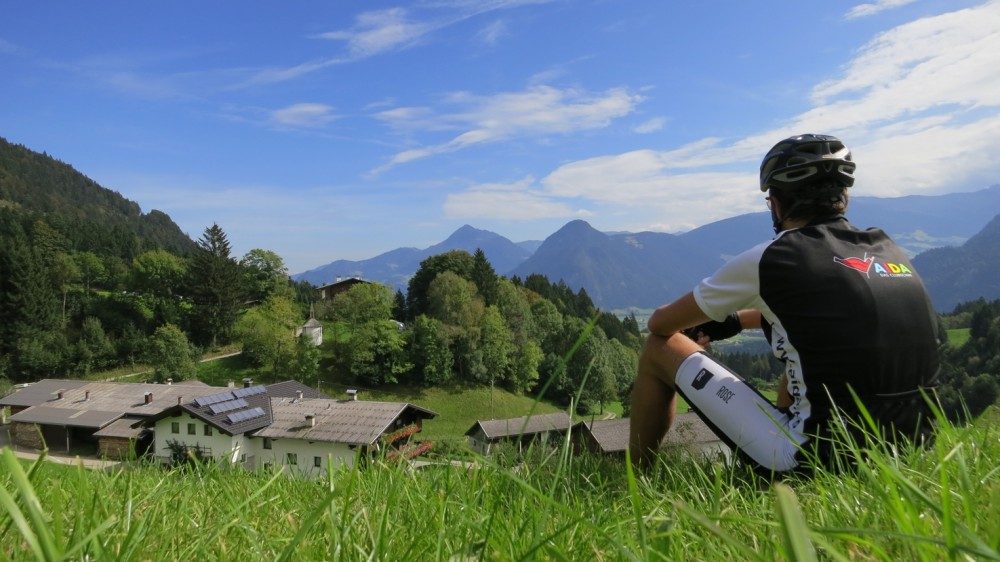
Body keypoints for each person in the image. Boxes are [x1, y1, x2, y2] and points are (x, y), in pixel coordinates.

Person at [629, 133, 940, 472]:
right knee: (804, 356)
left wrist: (706, 323)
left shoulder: (775, 257)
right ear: (844, 197)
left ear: (776, 202)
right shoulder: (887, 250)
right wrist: (734, 322)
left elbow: (660, 323)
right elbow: (819, 314)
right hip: (914, 452)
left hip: (820, 460)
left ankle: (636, 476)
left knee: (659, 347)